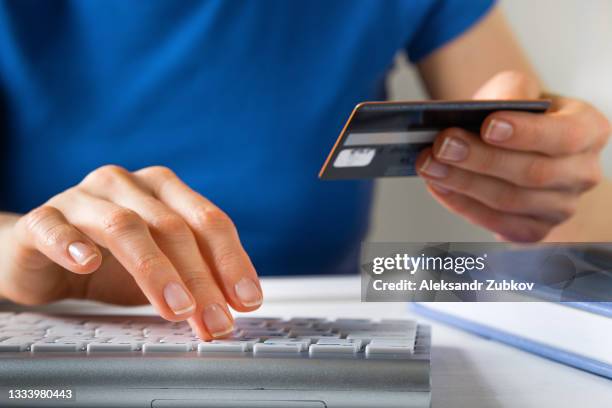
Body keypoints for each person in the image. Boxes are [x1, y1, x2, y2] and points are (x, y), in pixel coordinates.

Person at [0, 0, 609, 339]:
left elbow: (576, 218)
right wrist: (18, 257)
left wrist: (548, 171)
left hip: (327, 335)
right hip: (50, 327)